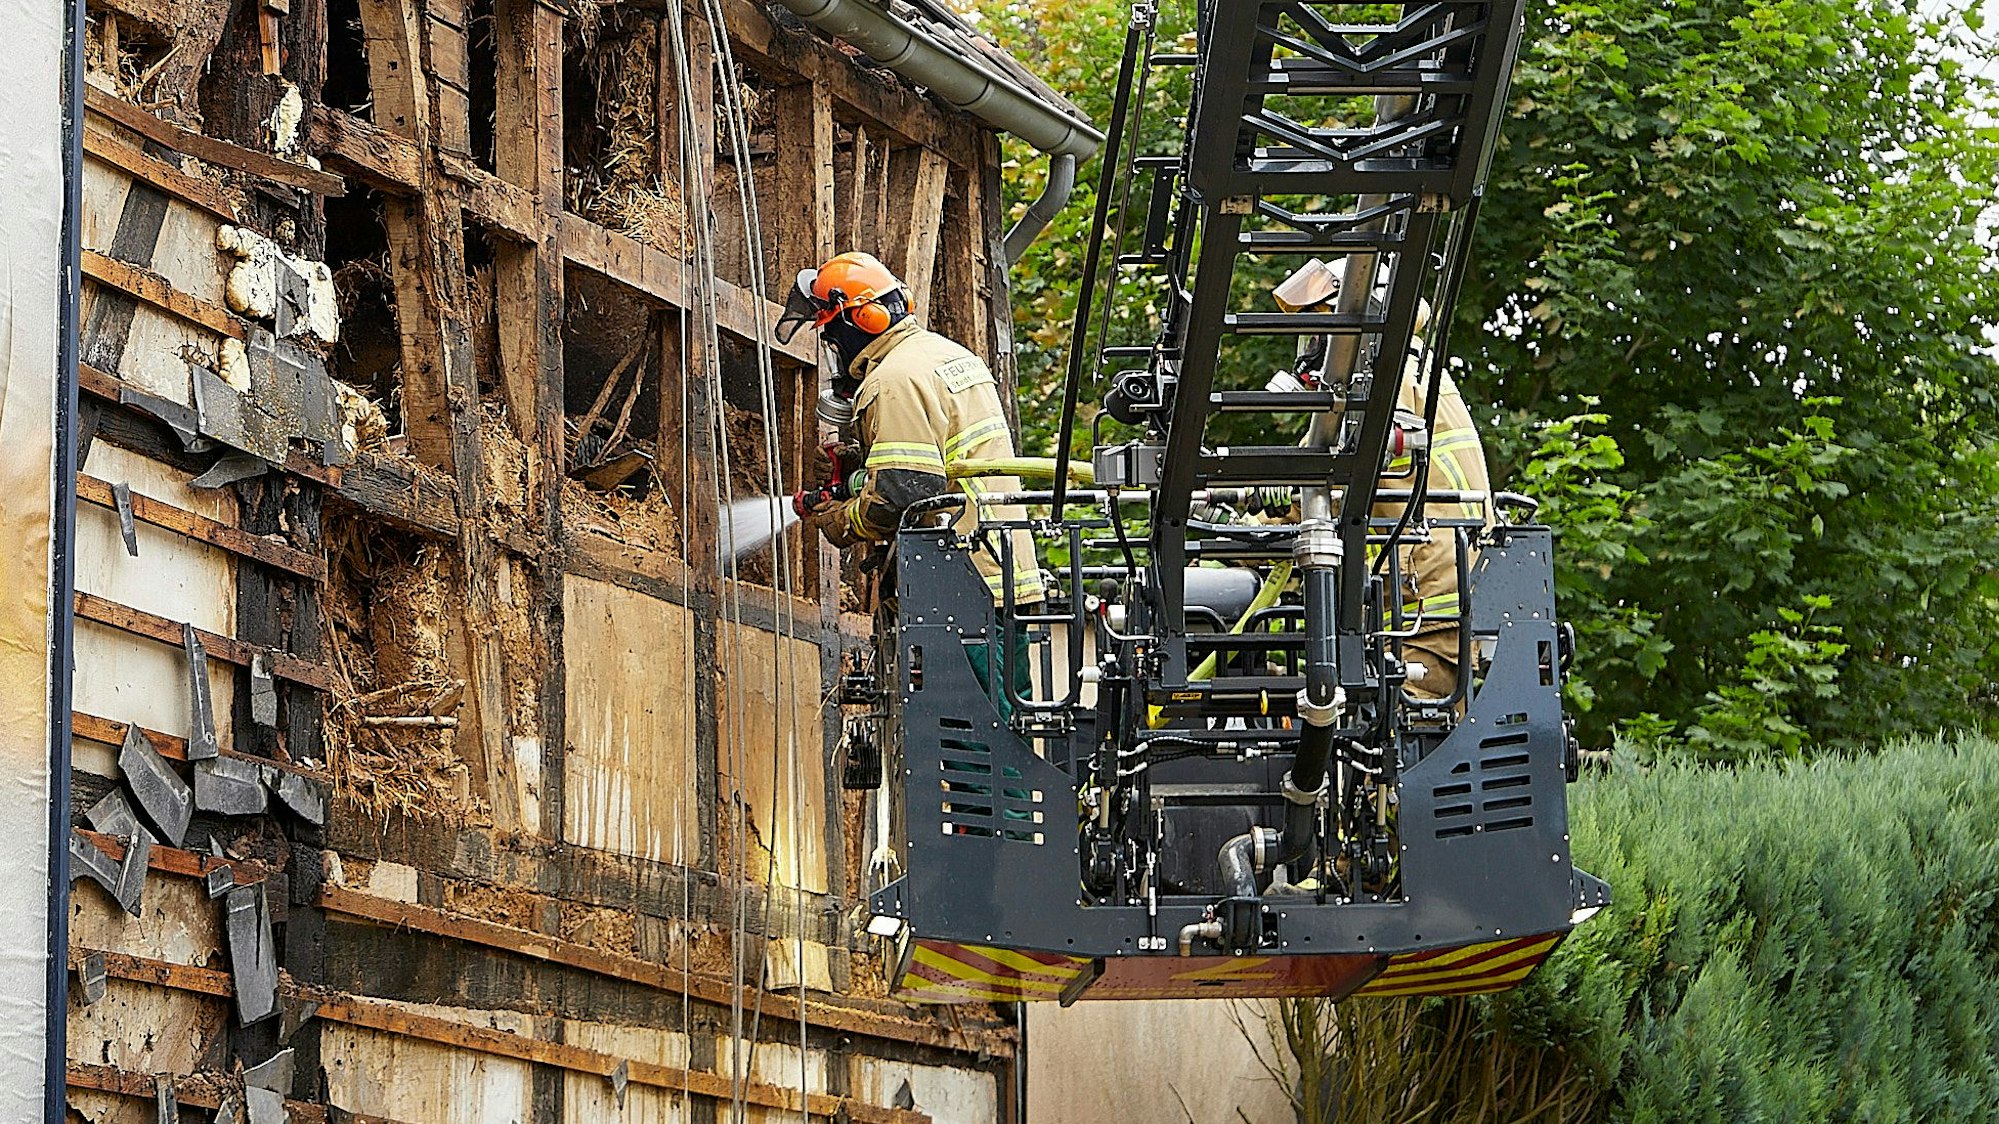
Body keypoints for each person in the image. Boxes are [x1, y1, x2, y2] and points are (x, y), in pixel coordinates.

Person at [776, 251, 1043, 697]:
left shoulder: (894, 380)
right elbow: (935, 461)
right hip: (999, 572)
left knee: (976, 744)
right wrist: (862, 462)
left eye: (832, 335)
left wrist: (841, 519)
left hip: (961, 583)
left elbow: (901, 494)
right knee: (1004, 729)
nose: (835, 350)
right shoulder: (943, 355)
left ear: (861, 321)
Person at [1274, 258, 1493, 703]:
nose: (1313, 348)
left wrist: (1231, 541)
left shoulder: (1374, 391)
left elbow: (1310, 487)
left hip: (1425, 617)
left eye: (1322, 333)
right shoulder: (1421, 377)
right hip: (1446, 608)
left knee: (1380, 750)